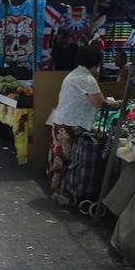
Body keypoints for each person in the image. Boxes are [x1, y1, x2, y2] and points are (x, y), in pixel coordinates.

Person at [47, 46, 106, 206]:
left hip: (62, 121)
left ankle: (59, 192)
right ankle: (65, 195)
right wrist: (114, 103)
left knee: (60, 158)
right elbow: (99, 102)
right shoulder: (86, 79)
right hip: (72, 124)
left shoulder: (74, 74)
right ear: (95, 63)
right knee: (70, 160)